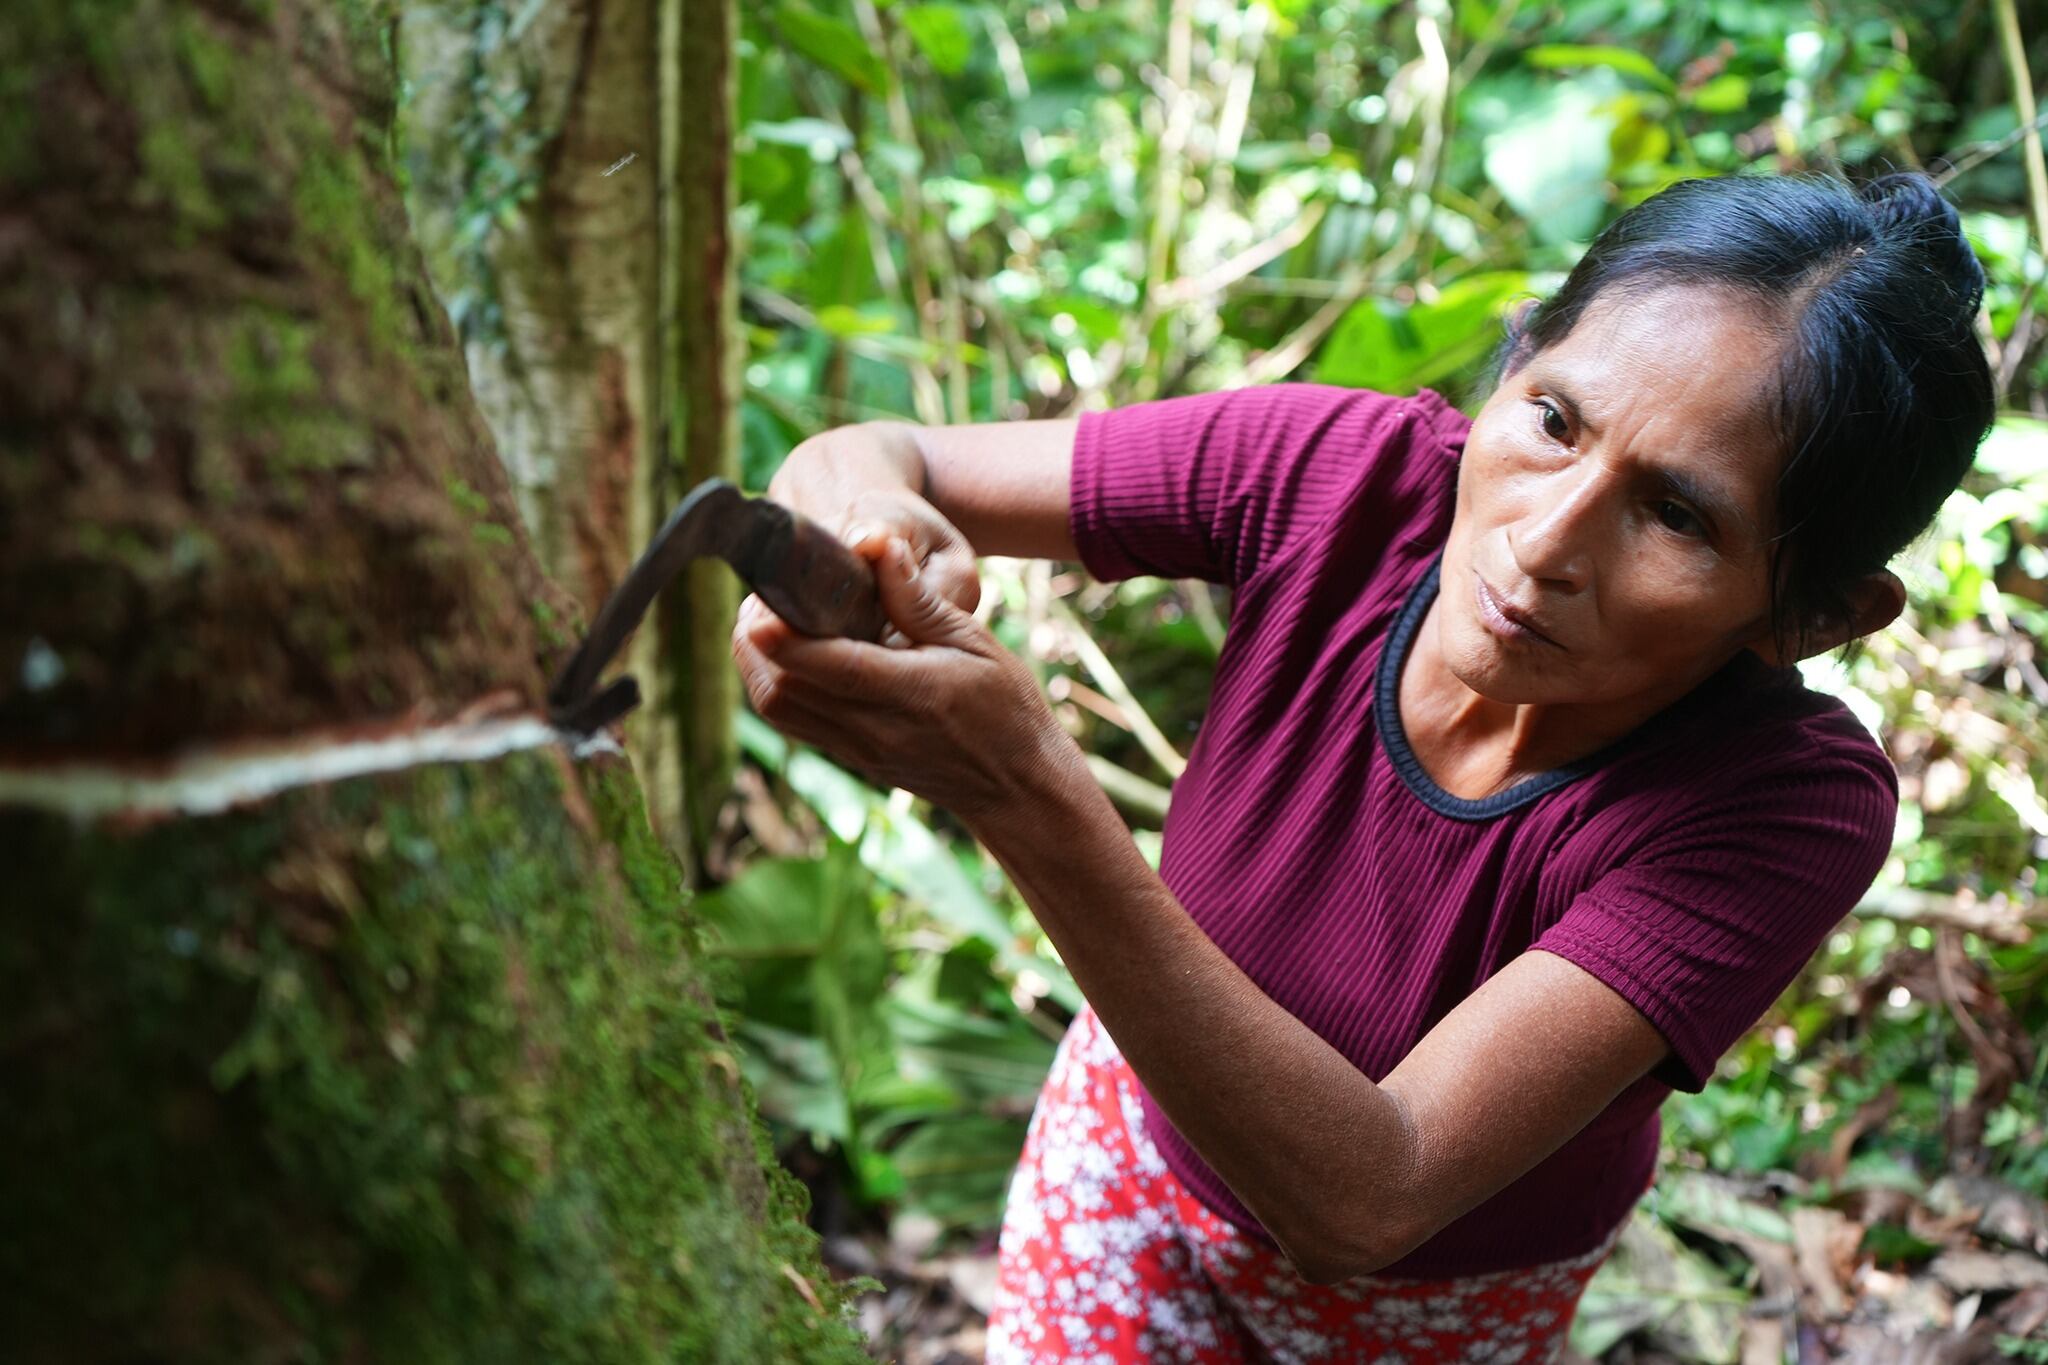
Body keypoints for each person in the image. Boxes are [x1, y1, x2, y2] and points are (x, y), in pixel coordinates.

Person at [730, 170, 1995, 1363]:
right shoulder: (1342, 479)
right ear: (1509, 365)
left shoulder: (1780, 805)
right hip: (1126, 1165)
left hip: (1428, 1315)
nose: (1543, 539)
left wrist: (1019, 787)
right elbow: (874, 454)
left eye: (1674, 514)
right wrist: (866, 533)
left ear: (1811, 619)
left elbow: (1364, 1198)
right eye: (1551, 421)